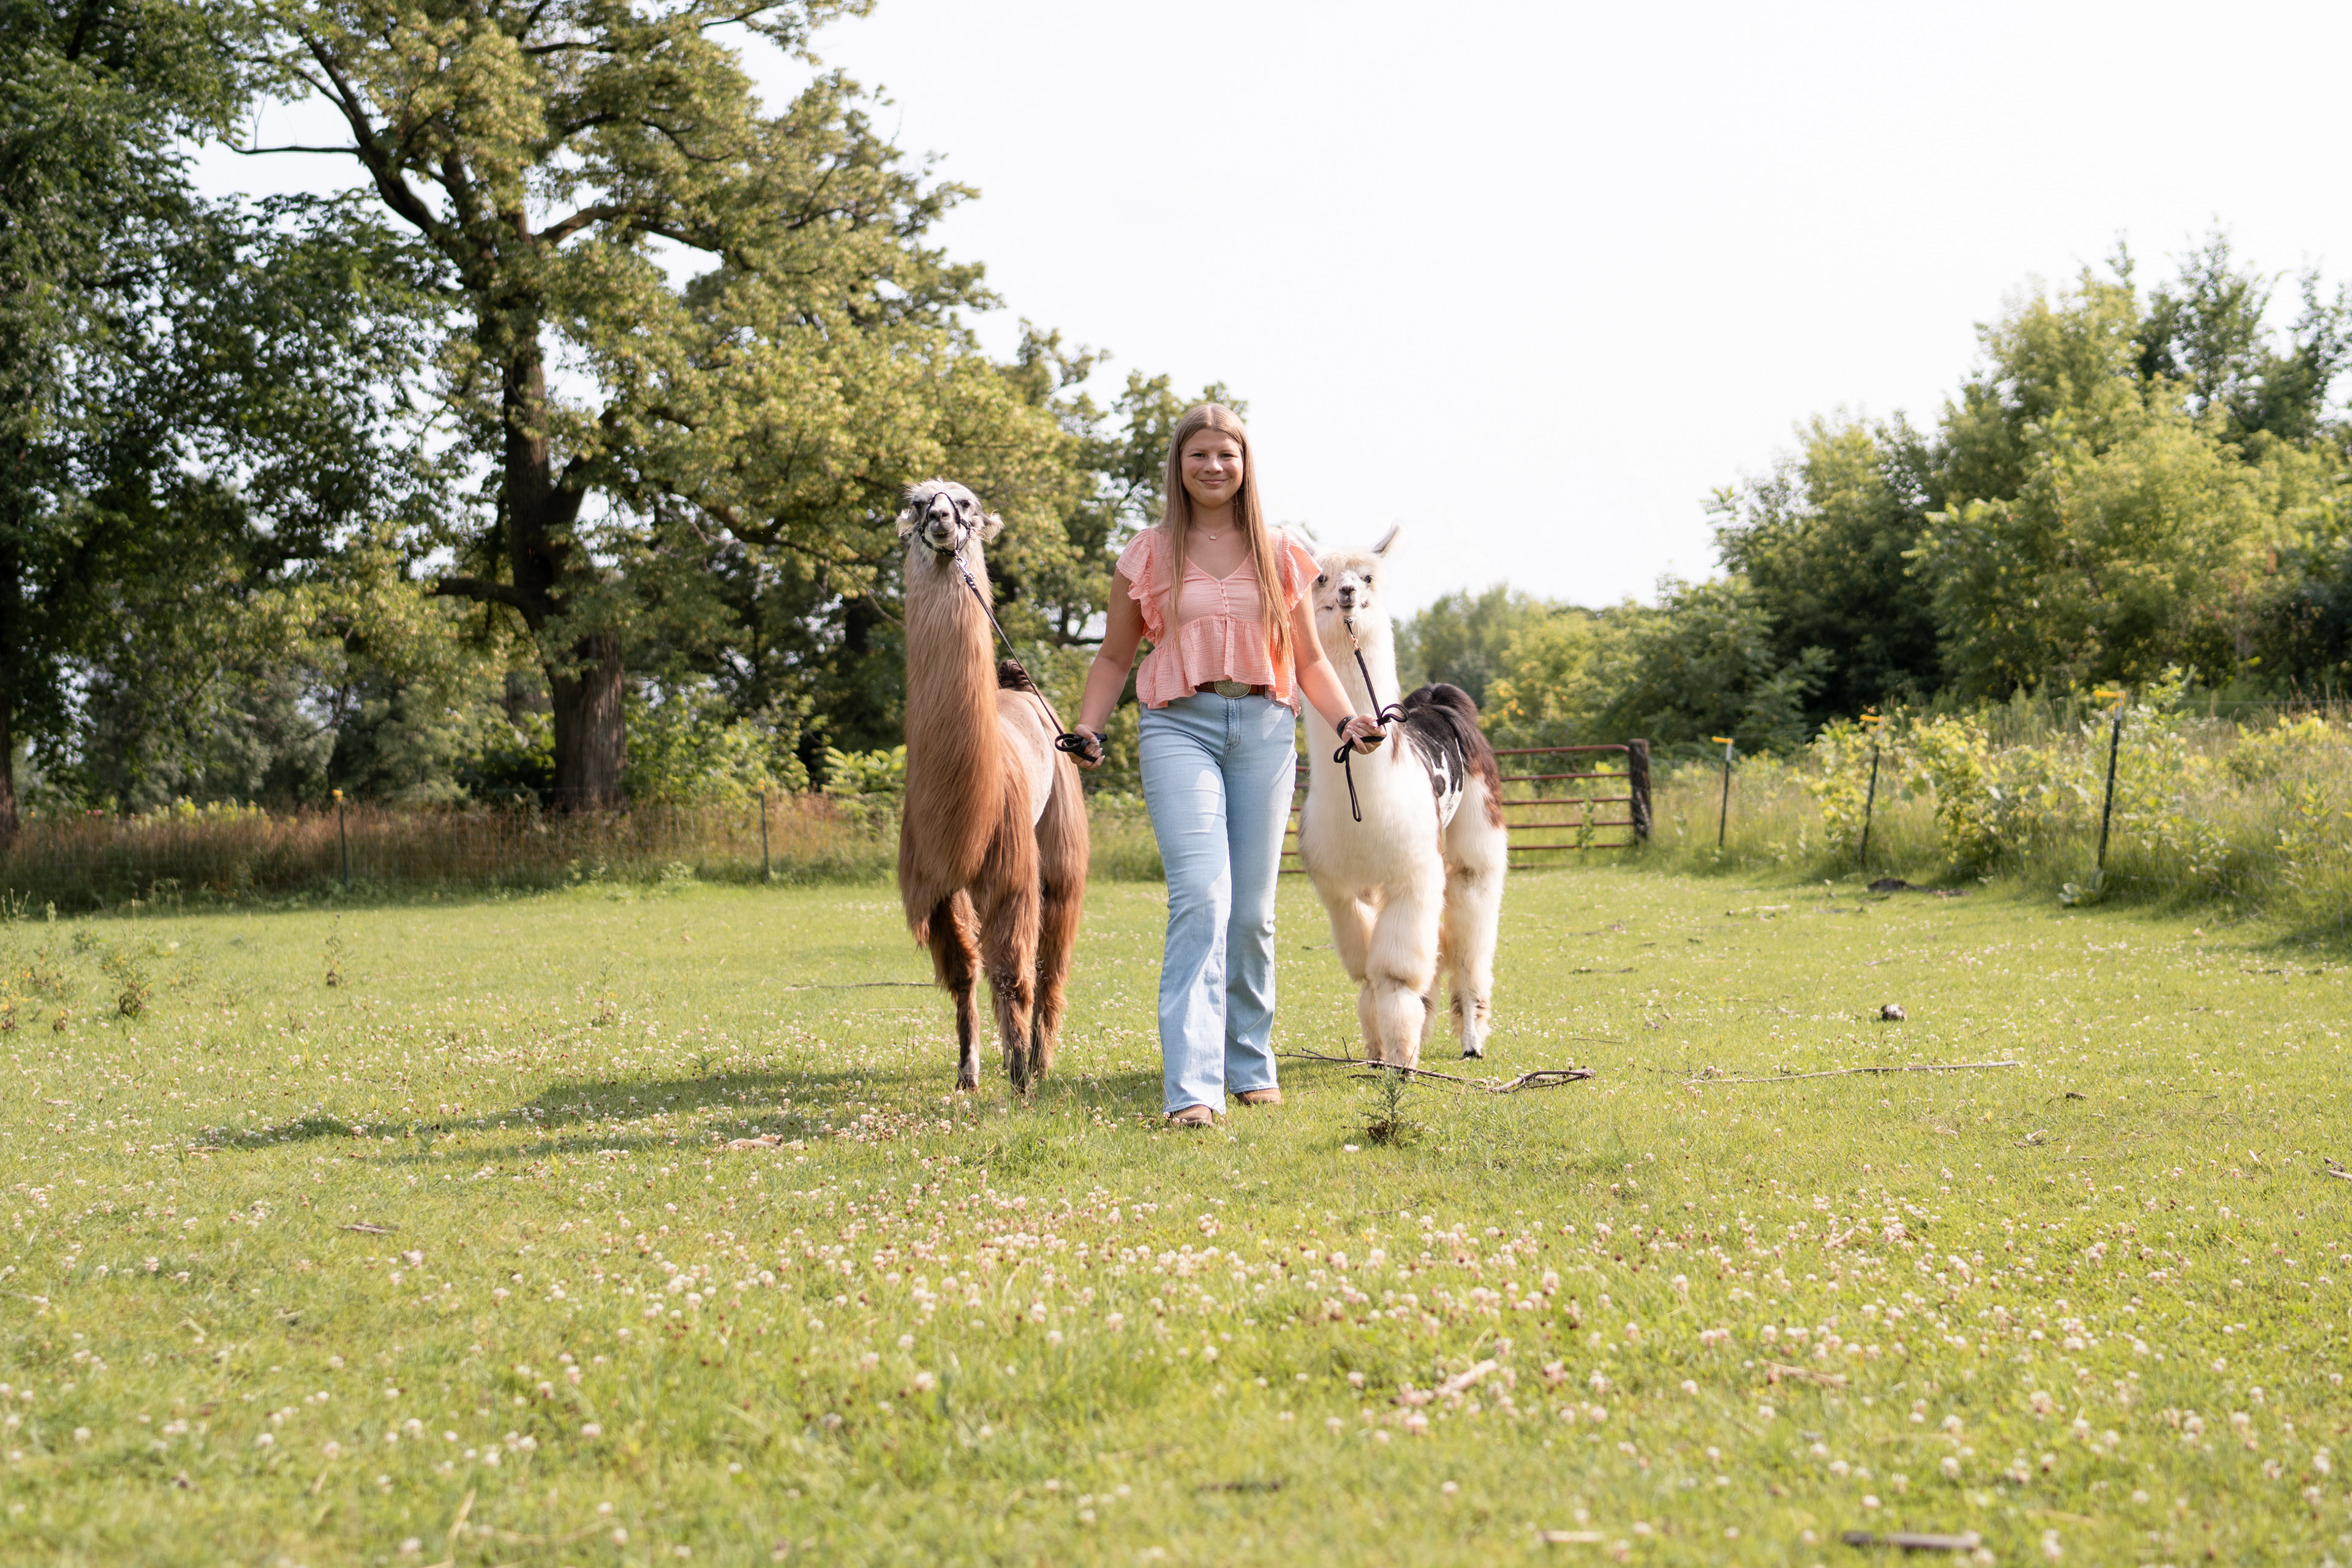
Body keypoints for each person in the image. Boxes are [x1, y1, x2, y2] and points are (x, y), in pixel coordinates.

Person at [1071, 404, 1386, 1127]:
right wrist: (1088, 725)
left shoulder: (1281, 550)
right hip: (1178, 725)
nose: (1213, 467)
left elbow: (1309, 659)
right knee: (1200, 900)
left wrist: (1348, 721)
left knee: (1250, 914)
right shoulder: (1148, 552)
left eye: (1226, 455)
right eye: (1199, 455)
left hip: (1265, 730)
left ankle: (1249, 1062)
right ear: (1178, 467)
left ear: (1245, 466)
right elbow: (1115, 655)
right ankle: (1192, 1087)